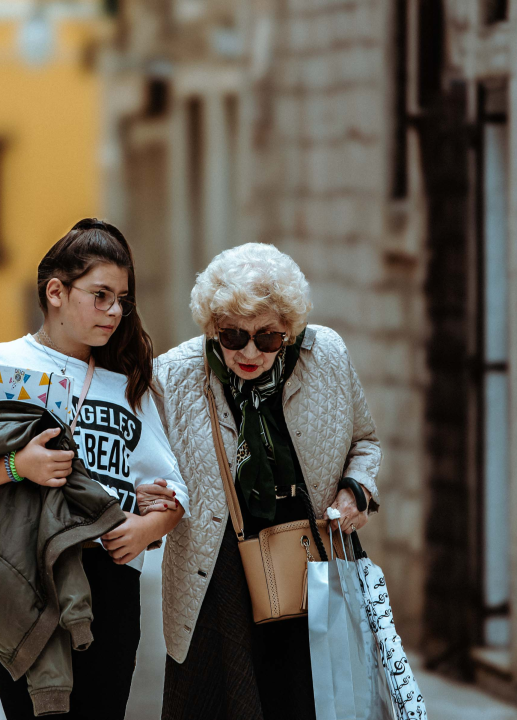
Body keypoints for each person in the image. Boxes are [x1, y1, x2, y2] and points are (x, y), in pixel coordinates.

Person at [0, 218, 187, 719]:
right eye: (100, 295)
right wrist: (18, 465)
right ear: (56, 292)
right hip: (20, 575)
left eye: (122, 299)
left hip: (111, 586)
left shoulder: (126, 385)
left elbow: (174, 487)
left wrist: (148, 527)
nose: (114, 311)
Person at [137, 243, 381, 720]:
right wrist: (147, 500)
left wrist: (354, 493)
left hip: (311, 563)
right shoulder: (172, 375)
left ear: (289, 331)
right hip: (215, 572)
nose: (249, 351)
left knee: (308, 697)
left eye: (267, 338)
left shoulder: (326, 356)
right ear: (212, 327)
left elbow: (365, 442)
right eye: (232, 336)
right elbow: (143, 469)